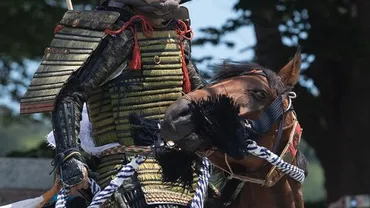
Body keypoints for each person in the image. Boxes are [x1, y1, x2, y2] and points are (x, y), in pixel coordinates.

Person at [20, 0, 206, 207]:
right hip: (125, 170)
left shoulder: (176, 31)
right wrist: (69, 156)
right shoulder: (117, 33)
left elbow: (198, 94)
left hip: (180, 168)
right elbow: (70, 93)